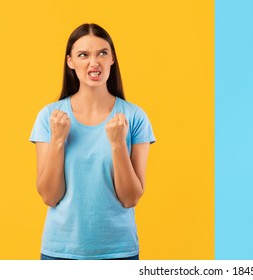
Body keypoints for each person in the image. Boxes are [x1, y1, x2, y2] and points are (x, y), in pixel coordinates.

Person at [30, 23, 155, 260]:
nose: (94, 62)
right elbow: (49, 196)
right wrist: (57, 140)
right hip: (60, 253)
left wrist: (118, 144)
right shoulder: (49, 117)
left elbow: (131, 198)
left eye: (102, 53)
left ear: (112, 59)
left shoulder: (135, 117)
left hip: (119, 252)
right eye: (83, 55)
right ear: (70, 62)